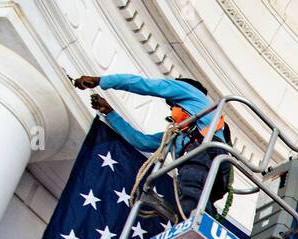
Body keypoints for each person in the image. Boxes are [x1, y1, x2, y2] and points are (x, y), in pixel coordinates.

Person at [74, 73, 233, 216]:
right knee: (194, 203)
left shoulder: (190, 92)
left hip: (206, 156)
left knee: (191, 199)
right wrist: (110, 113)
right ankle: (198, 229)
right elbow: (142, 142)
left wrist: (101, 81)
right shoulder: (177, 135)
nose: (172, 109)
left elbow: (146, 85)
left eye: (173, 105)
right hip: (211, 172)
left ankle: (193, 225)